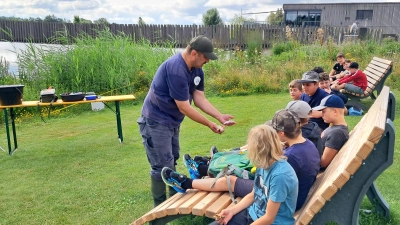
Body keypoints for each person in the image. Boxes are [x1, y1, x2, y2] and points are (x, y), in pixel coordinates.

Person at [137, 35, 235, 207]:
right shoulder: (176, 69)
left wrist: (219, 116)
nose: (208, 61)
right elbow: (184, 107)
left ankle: (174, 204)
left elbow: (199, 99)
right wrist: (210, 124)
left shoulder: (197, 70)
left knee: (171, 159)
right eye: (206, 57)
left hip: (172, 121)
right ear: (194, 53)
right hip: (156, 121)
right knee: (161, 165)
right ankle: (159, 211)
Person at [161, 110, 320, 211]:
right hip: (291, 192)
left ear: (282, 134)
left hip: (284, 201)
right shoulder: (307, 145)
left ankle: (185, 183)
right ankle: (202, 169)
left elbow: (267, 180)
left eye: (274, 131)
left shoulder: (290, 157)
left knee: (229, 180)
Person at [212, 125, 298, 225]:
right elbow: (253, 195)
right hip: (252, 214)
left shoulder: (280, 176)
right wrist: (232, 211)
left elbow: (269, 218)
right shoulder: (263, 163)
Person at [312, 95, 349, 169]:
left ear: (335, 111)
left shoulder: (336, 133)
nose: (321, 114)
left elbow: (323, 162)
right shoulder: (334, 127)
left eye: (324, 111)